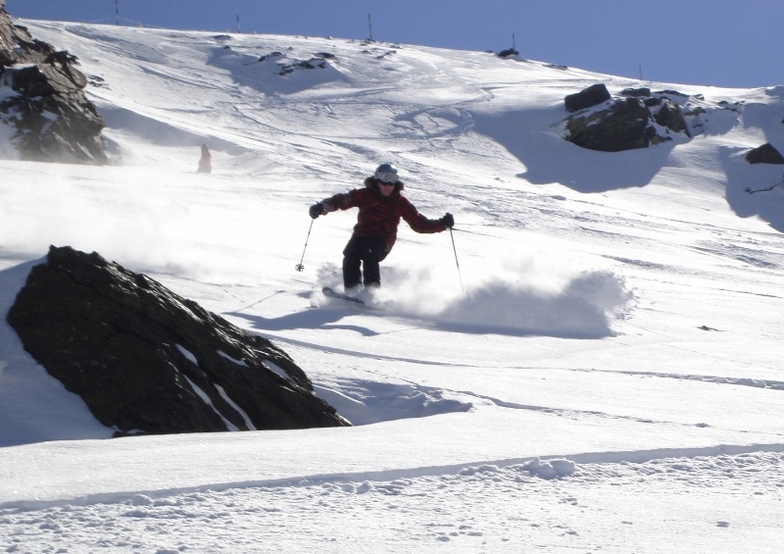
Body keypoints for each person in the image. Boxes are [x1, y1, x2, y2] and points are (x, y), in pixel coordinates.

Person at [309, 163, 454, 292]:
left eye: (392, 183)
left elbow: (419, 224)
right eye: (384, 181)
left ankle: (372, 292)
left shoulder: (400, 202)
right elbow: (342, 200)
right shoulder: (365, 195)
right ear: (377, 180)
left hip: (383, 239)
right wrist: (322, 207)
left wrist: (442, 224)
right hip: (361, 235)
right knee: (350, 253)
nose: (388, 186)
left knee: (369, 251)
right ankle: (352, 290)